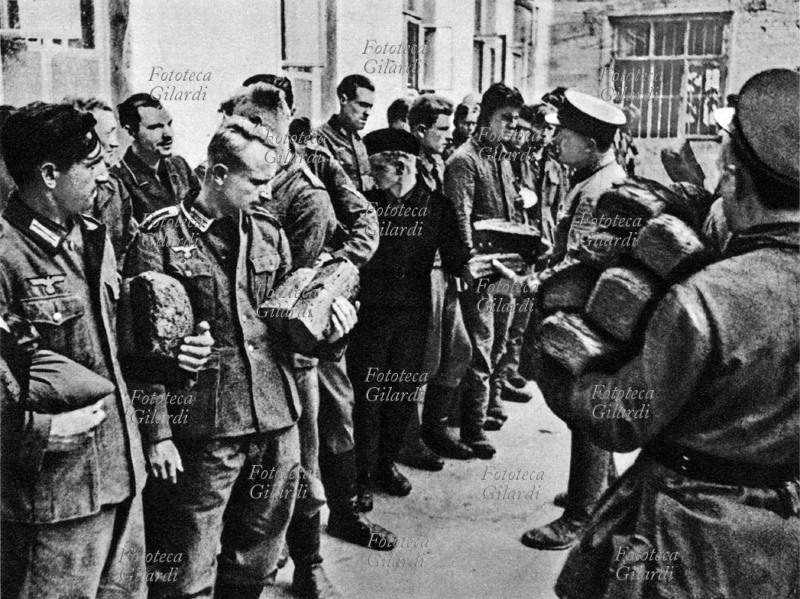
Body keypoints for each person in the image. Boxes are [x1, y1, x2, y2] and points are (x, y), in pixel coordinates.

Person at [547, 68, 799, 599]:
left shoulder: (705, 298)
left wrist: (566, 367)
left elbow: (622, 418)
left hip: (690, 534)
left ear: (732, 173)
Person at [0, 103, 147, 598]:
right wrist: (38, 430)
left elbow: (108, 348)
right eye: (92, 164)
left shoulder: (92, 237)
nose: (104, 176)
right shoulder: (5, 256)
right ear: (48, 174)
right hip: (53, 500)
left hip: (121, 476)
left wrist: (171, 359)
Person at [519, 89, 627, 551]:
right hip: (585, 311)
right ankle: (603, 488)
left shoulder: (597, 189)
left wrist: (534, 281)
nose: (555, 139)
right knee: (579, 406)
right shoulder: (594, 177)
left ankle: (581, 514)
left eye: (564, 133)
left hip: (581, 314)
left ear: (588, 142)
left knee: (580, 408)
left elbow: (582, 261)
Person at [350, 128, 472, 506]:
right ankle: (360, 476)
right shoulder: (365, 203)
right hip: (369, 317)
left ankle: (385, 465)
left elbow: (457, 260)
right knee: (366, 397)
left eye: (376, 169)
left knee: (401, 395)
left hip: (414, 317)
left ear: (401, 165)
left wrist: (484, 267)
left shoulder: (438, 207)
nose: (370, 176)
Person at [444, 82, 525, 457]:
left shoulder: (502, 158)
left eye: (515, 120)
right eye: (505, 118)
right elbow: (459, 220)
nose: (512, 126)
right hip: (479, 268)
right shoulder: (465, 160)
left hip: (505, 268)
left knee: (498, 339)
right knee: (479, 346)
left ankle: (488, 405)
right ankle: (472, 428)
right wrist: (468, 265)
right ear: (485, 117)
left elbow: (512, 212)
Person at [406, 94, 475, 463]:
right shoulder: (406, 168)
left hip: (442, 269)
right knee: (422, 360)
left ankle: (435, 427)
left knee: (459, 350)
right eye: (442, 129)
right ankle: (410, 438)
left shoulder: (436, 163)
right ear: (420, 130)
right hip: (421, 274)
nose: (450, 136)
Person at [67, 96, 137, 263]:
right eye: (108, 133)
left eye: (115, 132)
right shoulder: (63, 190)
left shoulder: (115, 187)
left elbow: (132, 245)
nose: (115, 143)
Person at [115, 93, 200, 222]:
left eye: (169, 124)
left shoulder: (180, 165)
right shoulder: (119, 180)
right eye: (155, 127)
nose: (168, 134)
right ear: (131, 131)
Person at [315, 74, 375, 192]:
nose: (367, 112)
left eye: (370, 107)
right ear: (343, 99)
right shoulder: (319, 138)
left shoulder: (360, 141)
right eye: (362, 105)